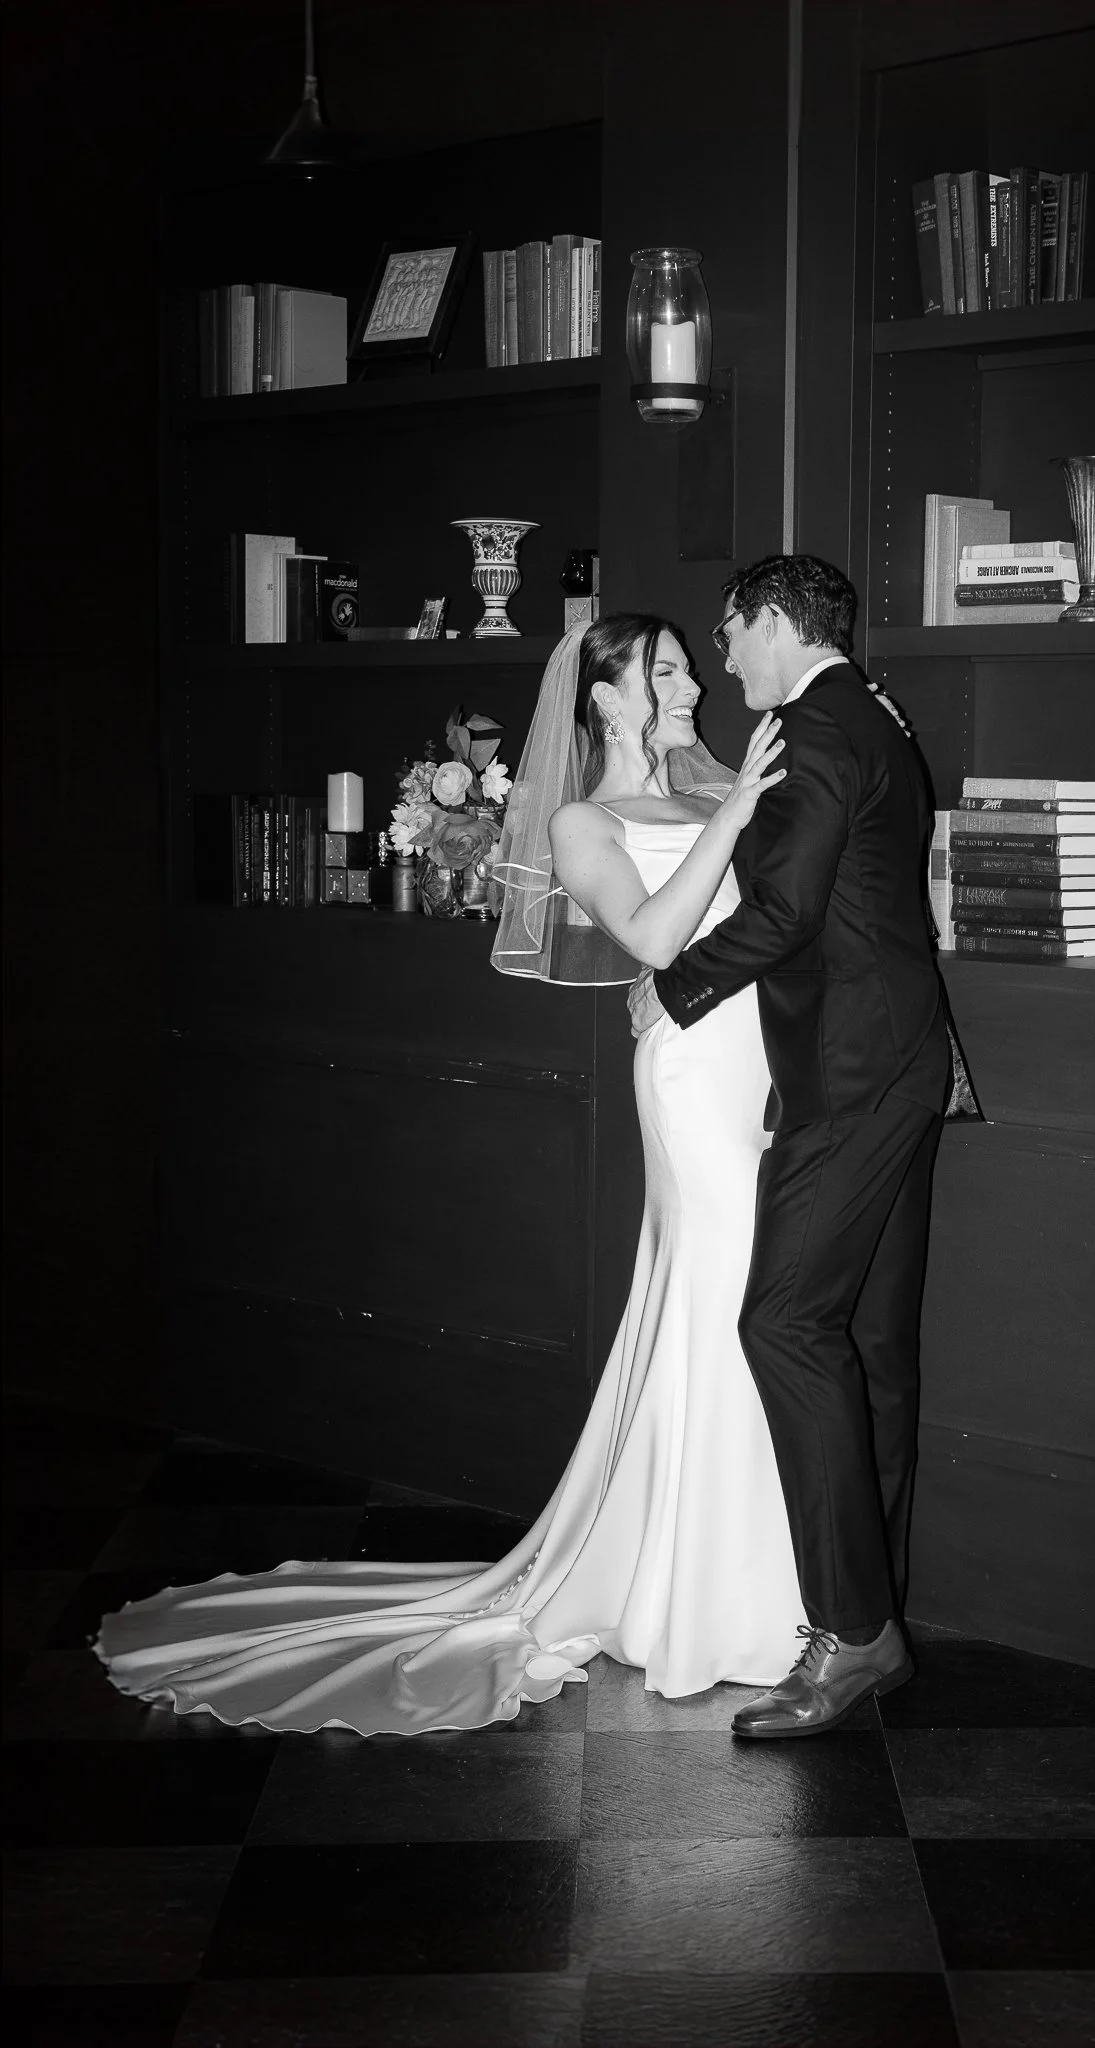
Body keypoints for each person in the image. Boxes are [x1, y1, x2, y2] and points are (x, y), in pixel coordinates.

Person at [95, 614, 804, 1733]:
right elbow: (658, 942)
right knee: (718, 1300)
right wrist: (739, 814)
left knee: (752, 1306)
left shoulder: (711, 789)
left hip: (755, 1070)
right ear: (606, 701)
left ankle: (739, 1573)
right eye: (660, 670)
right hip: (684, 1078)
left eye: (683, 664)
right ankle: (704, 1598)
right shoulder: (583, 819)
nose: (687, 683)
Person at [630, 555, 950, 1739]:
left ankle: (856, 1635)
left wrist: (676, 988)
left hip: (855, 1077)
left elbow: (784, 912)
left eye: (728, 630)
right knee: (874, 1341)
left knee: (783, 1322)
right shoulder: (867, 714)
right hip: (902, 1060)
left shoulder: (816, 727)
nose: (721, 655)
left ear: (775, 622)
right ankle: (878, 1608)